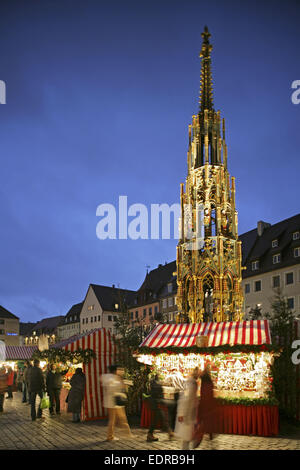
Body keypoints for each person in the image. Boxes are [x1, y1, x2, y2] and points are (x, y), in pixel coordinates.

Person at [101, 365, 133, 441]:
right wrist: (122, 382)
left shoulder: (105, 377)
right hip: (115, 401)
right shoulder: (114, 378)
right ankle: (111, 436)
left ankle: (126, 433)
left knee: (118, 418)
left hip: (111, 401)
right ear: (115, 370)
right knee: (117, 418)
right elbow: (118, 387)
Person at [175, 367, 200, 450]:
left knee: (186, 439)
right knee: (187, 438)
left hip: (188, 416)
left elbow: (186, 400)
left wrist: (181, 413)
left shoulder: (190, 384)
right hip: (190, 415)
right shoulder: (192, 384)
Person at [193, 366, 217, 448]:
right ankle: (207, 435)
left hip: (204, 405)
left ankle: (198, 439)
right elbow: (210, 394)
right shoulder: (208, 382)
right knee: (206, 423)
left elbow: (205, 394)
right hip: (208, 406)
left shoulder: (204, 383)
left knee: (201, 423)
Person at [147, 374, 175, 442]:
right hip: (156, 403)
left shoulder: (154, 383)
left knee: (160, 418)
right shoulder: (155, 384)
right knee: (160, 418)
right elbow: (157, 393)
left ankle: (169, 432)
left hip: (157, 403)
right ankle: (169, 432)